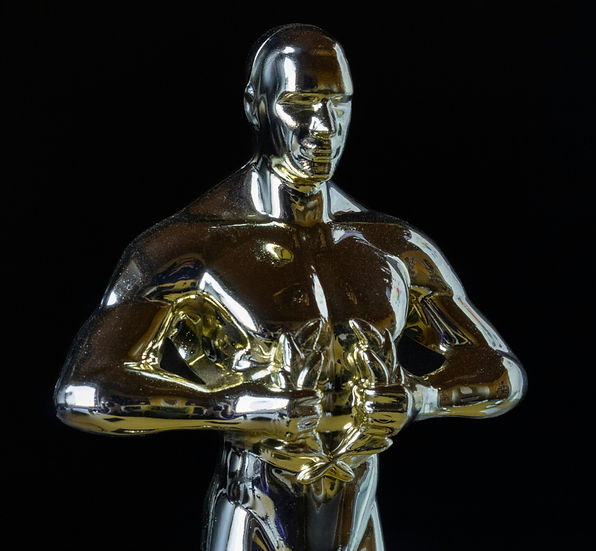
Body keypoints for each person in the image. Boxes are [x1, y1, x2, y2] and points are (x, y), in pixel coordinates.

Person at [54, 24, 525, 551]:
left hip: (358, 519)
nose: (324, 127)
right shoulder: (192, 247)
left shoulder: (391, 245)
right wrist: (239, 407)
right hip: (255, 513)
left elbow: (501, 371)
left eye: (337, 105)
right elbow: (85, 389)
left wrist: (420, 396)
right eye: (300, 105)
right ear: (256, 106)